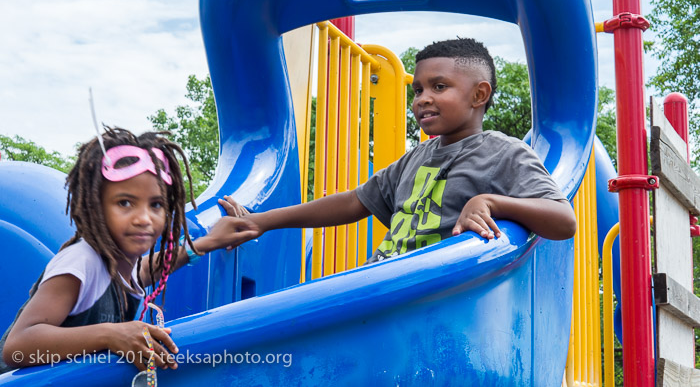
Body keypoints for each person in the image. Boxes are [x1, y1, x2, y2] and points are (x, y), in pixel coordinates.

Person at [218, 37, 577, 263]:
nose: (423, 99)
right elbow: (352, 202)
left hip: (435, 295)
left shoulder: (504, 152)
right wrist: (259, 221)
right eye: (418, 90)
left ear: (479, 95)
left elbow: (564, 220)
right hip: (385, 280)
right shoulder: (416, 158)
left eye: (439, 86)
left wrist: (490, 202)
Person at [0, 128, 247, 373]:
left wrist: (206, 243)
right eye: (125, 203)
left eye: (156, 204)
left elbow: (148, 268)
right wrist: (110, 334)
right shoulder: (81, 261)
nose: (143, 218)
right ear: (95, 207)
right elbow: (17, 347)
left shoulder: (120, 265)